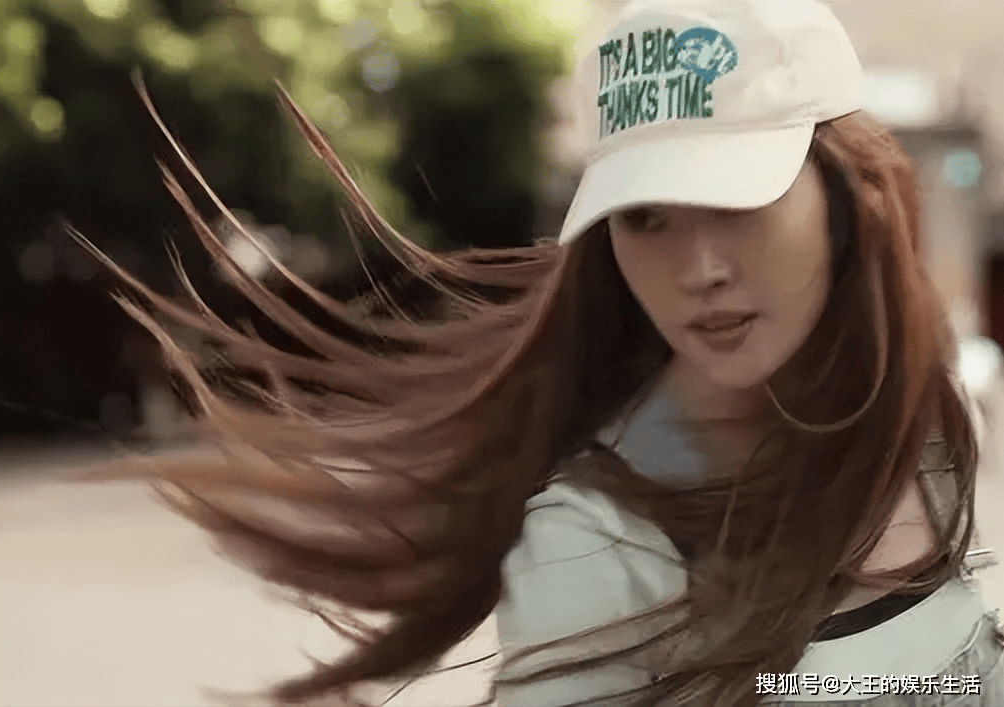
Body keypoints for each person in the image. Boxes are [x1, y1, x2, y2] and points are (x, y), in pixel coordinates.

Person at [70, 1, 1002, 705]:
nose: (698, 269)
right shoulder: (597, 544)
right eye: (646, 217)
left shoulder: (918, 415)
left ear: (849, 197)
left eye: (736, 200)